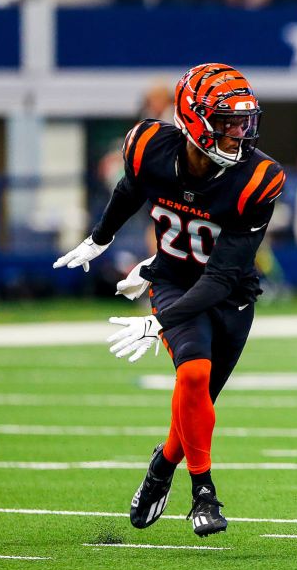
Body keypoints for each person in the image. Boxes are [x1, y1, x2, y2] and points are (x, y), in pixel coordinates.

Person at [53, 64, 285, 538]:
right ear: (194, 119)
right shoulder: (149, 147)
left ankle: (162, 467)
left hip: (230, 295)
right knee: (193, 374)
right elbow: (131, 188)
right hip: (174, 278)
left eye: (243, 122)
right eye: (226, 121)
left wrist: (157, 323)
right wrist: (100, 239)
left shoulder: (258, 178)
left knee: (196, 405)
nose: (238, 133)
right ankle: (205, 494)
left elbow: (222, 276)